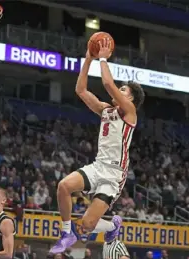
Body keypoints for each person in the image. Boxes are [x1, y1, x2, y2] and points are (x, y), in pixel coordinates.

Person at [49, 37, 145, 254]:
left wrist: (103, 58)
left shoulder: (130, 112)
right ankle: (66, 233)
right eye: (120, 89)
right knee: (64, 186)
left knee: (87, 225)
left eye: (123, 90)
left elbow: (108, 84)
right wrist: (88, 59)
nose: (118, 91)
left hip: (114, 174)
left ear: (130, 99)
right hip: (98, 165)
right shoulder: (105, 110)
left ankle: (112, 226)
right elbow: (81, 90)